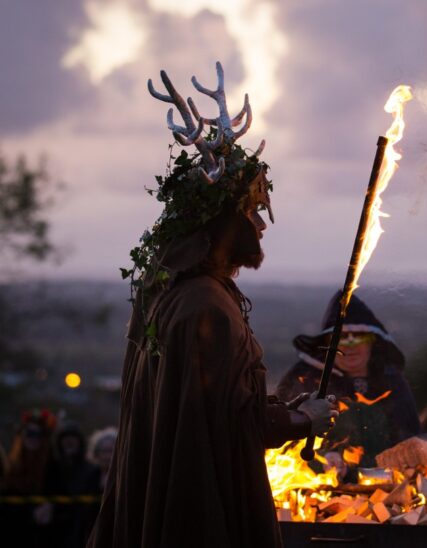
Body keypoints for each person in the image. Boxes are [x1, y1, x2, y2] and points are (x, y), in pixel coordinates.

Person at [87, 63, 337, 548]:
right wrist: (305, 420)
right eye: (250, 212)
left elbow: (210, 404)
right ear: (225, 223)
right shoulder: (205, 307)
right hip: (201, 507)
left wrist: (284, 407)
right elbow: (228, 422)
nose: (261, 227)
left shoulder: (166, 293)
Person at [277, 292, 420, 468]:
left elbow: (411, 438)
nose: (349, 346)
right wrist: (322, 460)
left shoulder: (392, 381)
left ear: (372, 341)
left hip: (389, 484)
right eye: (341, 338)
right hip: (321, 488)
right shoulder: (304, 379)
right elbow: (282, 442)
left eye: (359, 336)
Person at [0, 409, 57, 548]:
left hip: (42, 534)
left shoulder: (53, 465)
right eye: (28, 434)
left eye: (37, 434)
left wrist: (51, 506)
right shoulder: (12, 463)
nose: (32, 438)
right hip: (13, 530)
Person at [45, 421, 101, 548]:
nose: (69, 442)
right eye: (65, 438)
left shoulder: (91, 470)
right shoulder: (52, 468)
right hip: (54, 530)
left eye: (73, 438)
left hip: (81, 529)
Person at [86, 427, 117, 493]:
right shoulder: (89, 475)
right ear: (96, 453)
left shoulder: (122, 477)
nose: (108, 456)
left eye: (111, 451)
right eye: (104, 451)